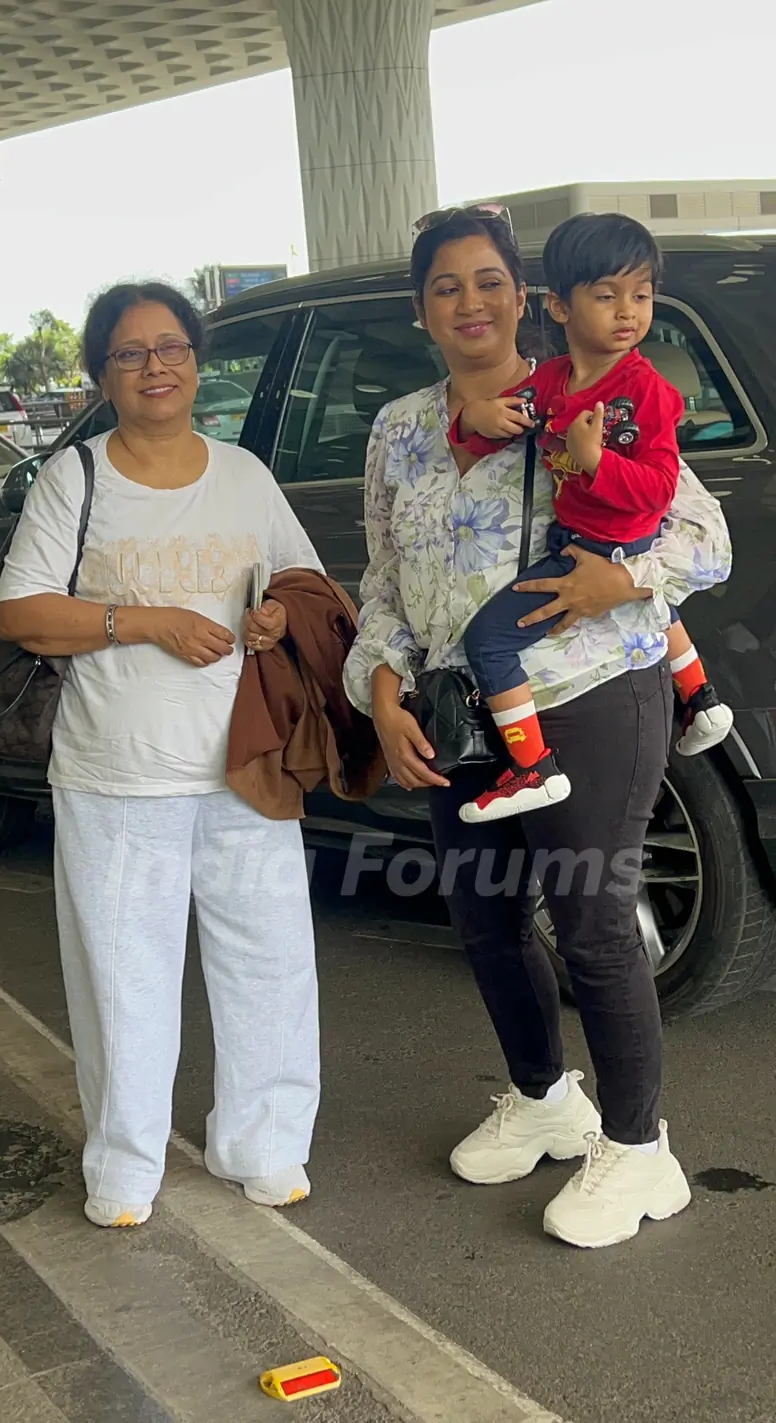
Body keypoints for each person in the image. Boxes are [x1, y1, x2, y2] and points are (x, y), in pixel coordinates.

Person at [344, 205, 732, 1249]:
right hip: (457, 710)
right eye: (444, 286)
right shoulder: (399, 428)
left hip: (592, 690)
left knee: (594, 924)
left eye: (487, 281)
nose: (469, 302)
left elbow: (703, 537)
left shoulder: (590, 393)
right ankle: (539, 1096)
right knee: (482, 918)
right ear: (420, 308)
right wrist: (378, 686)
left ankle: (639, 1150)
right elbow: (383, 577)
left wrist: (621, 579)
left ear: (525, 296)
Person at [0, 282, 323, 1228]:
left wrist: (272, 616)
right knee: (121, 978)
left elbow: (302, 583)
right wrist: (145, 623)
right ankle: (126, 1165)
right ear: (101, 374)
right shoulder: (77, 478)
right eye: (132, 353)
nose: (156, 367)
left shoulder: (244, 474)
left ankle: (264, 1142)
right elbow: (21, 613)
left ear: (197, 359)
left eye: (172, 347)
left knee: (268, 964)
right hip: (116, 773)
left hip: (243, 763)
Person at [447, 212, 732, 823]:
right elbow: (507, 420)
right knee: (659, 607)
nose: (628, 311)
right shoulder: (553, 380)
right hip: (582, 536)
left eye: (642, 295)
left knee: (489, 640)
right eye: (607, 296)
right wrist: (476, 420)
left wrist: (594, 462)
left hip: (612, 545)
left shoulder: (647, 392)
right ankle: (701, 698)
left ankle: (532, 767)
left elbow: (658, 491)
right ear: (559, 307)